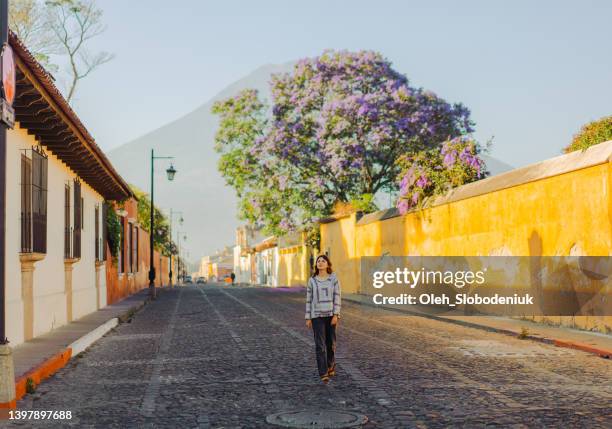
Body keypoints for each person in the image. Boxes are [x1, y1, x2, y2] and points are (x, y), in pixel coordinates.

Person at [305, 254, 341, 384]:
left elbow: (337, 296)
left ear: (327, 264)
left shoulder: (333, 279)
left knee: (330, 344)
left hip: (331, 315)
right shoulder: (312, 281)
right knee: (320, 346)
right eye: (318, 261)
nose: (320, 263)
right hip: (317, 317)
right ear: (316, 265)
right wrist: (308, 317)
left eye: (323, 261)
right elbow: (309, 300)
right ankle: (323, 372)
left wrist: (336, 314)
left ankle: (331, 364)